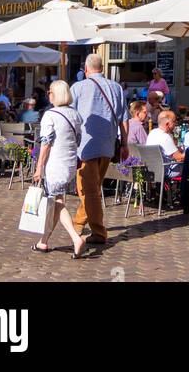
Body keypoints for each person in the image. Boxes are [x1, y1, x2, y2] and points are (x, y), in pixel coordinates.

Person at [70, 53, 129, 248]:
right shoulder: (116, 88)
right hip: (107, 145)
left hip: (85, 146)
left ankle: (98, 231)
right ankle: (77, 223)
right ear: (102, 67)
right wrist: (125, 144)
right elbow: (124, 119)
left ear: (86, 69)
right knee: (93, 188)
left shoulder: (78, 87)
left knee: (88, 190)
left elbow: (70, 117)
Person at [29, 79, 85, 258]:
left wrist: (39, 167)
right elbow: (77, 140)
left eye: (50, 92)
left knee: (58, 203)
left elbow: (45, 144)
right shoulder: (75, 115)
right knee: (56, 202)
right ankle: (43, 241)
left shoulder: (50, 115)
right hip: (69, 163)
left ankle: (76, 238)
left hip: (55, 164)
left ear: (55, 95)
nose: (48, 95)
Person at [145, 109, 185, 176]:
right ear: (167, 124)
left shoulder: (152, 132)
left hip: (151, 169)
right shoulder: (165, 137)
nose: (176, 124)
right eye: (174, 121)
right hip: (165, 170)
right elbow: (179, 158)